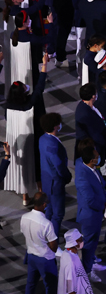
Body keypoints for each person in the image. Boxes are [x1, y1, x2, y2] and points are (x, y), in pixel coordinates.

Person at [4, 56, 48, 206]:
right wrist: (44, 66)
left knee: (22, 167)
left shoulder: (7, 107)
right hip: (32, 140)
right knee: (37, 166)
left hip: (16, 141)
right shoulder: (28, 104)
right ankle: (41, 192)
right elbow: (39, 88)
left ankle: (25, 197)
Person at [21, 192, 59, 294]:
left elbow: (24, 233)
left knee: (30, 284)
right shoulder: (46, 224)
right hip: (45, 259)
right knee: (50, 287)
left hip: (31, 256)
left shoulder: (24, 217)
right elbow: (53, 247)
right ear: (44, 204)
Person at [74, 143, 106, 282]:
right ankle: (86, 273)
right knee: (88, 244)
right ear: (91, 160)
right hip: (90, 215)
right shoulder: (83, 177)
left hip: (96, 213)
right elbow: (89, 200)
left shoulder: (88, 166)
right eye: (96, 157)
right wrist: (102, 206)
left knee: (93, 242)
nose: (99, 157)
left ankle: (91, 262)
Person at [39, 113, 71, 237]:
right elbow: (59, 166)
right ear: (56, 126)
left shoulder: (42, 139)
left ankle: (45, 233)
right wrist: (67, 176)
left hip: (46, 180)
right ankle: (53, 241)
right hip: (55, 184)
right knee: (57, 215)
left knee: (50, 210)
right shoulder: (53, 145)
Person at [57, 229, 96, 294]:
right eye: (80, 239)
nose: (82, 241)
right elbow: (70, 288)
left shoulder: (68, 253)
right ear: (75, 242)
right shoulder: (70, 262)